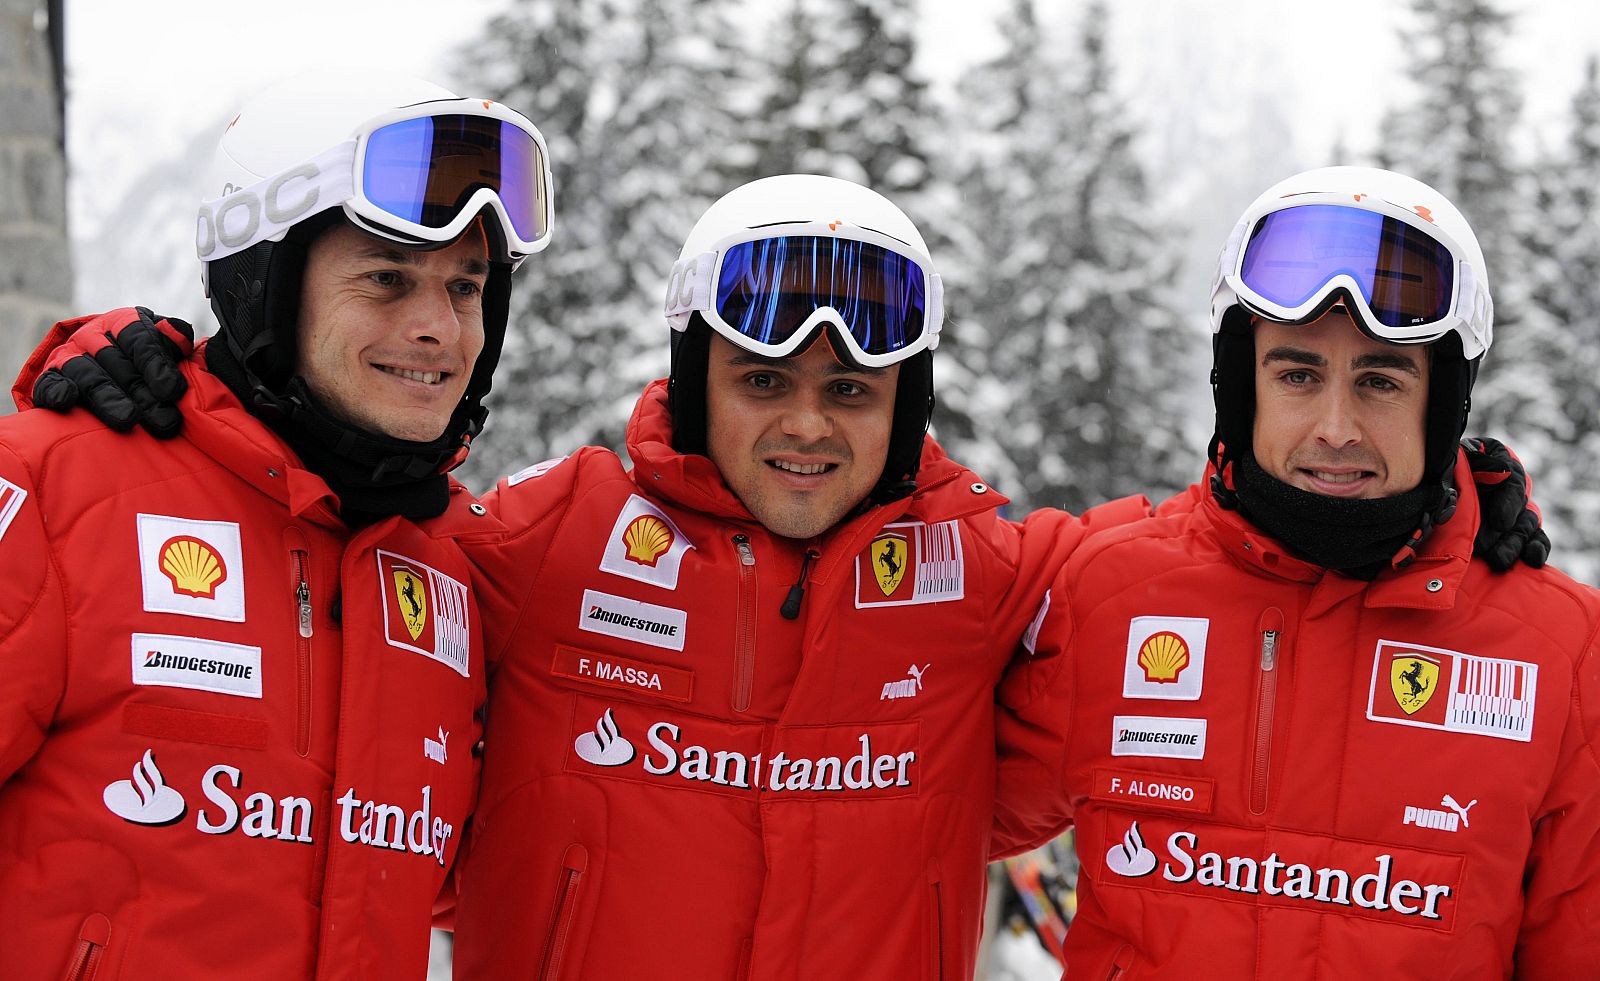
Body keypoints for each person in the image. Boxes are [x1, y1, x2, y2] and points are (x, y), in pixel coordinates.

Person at [23, 170, 1547, 980]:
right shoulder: (524, 549)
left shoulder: (1005, 578)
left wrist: (1450, 525)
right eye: (762, 379)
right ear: (691, 378)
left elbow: (1242, 562)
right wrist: (164, 377)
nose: (807, 426)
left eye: (854, 388)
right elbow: (328, 526)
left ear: (911, 406)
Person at [0, 69, 552, 979]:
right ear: (266, 285)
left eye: (465, 288)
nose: (439, 329)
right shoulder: (54, 495)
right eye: (386, 278)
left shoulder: (456, 572)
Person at [992, 166, 1600, 978]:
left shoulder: (1561, 654)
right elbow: (892, 800)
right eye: (1298, 374)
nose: (1337, 428)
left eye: (1381, 379)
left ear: (1444, 401)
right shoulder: (1111, 592)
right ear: (1242, 386)